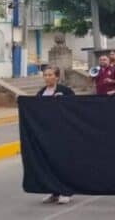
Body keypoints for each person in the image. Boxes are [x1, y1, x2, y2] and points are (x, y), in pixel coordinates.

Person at [36, 65, 74, 205]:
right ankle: (54, 191)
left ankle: (66, 191)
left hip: (63, 133)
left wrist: (64, 101)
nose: (47, 77)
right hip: (47, 133)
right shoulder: (41, 93)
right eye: (45, 75)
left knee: (63, 163)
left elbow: (75, 109)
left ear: (57, 77)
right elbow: (35, 110)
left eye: (50, 75)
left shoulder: (65, 91)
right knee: (49, 163)